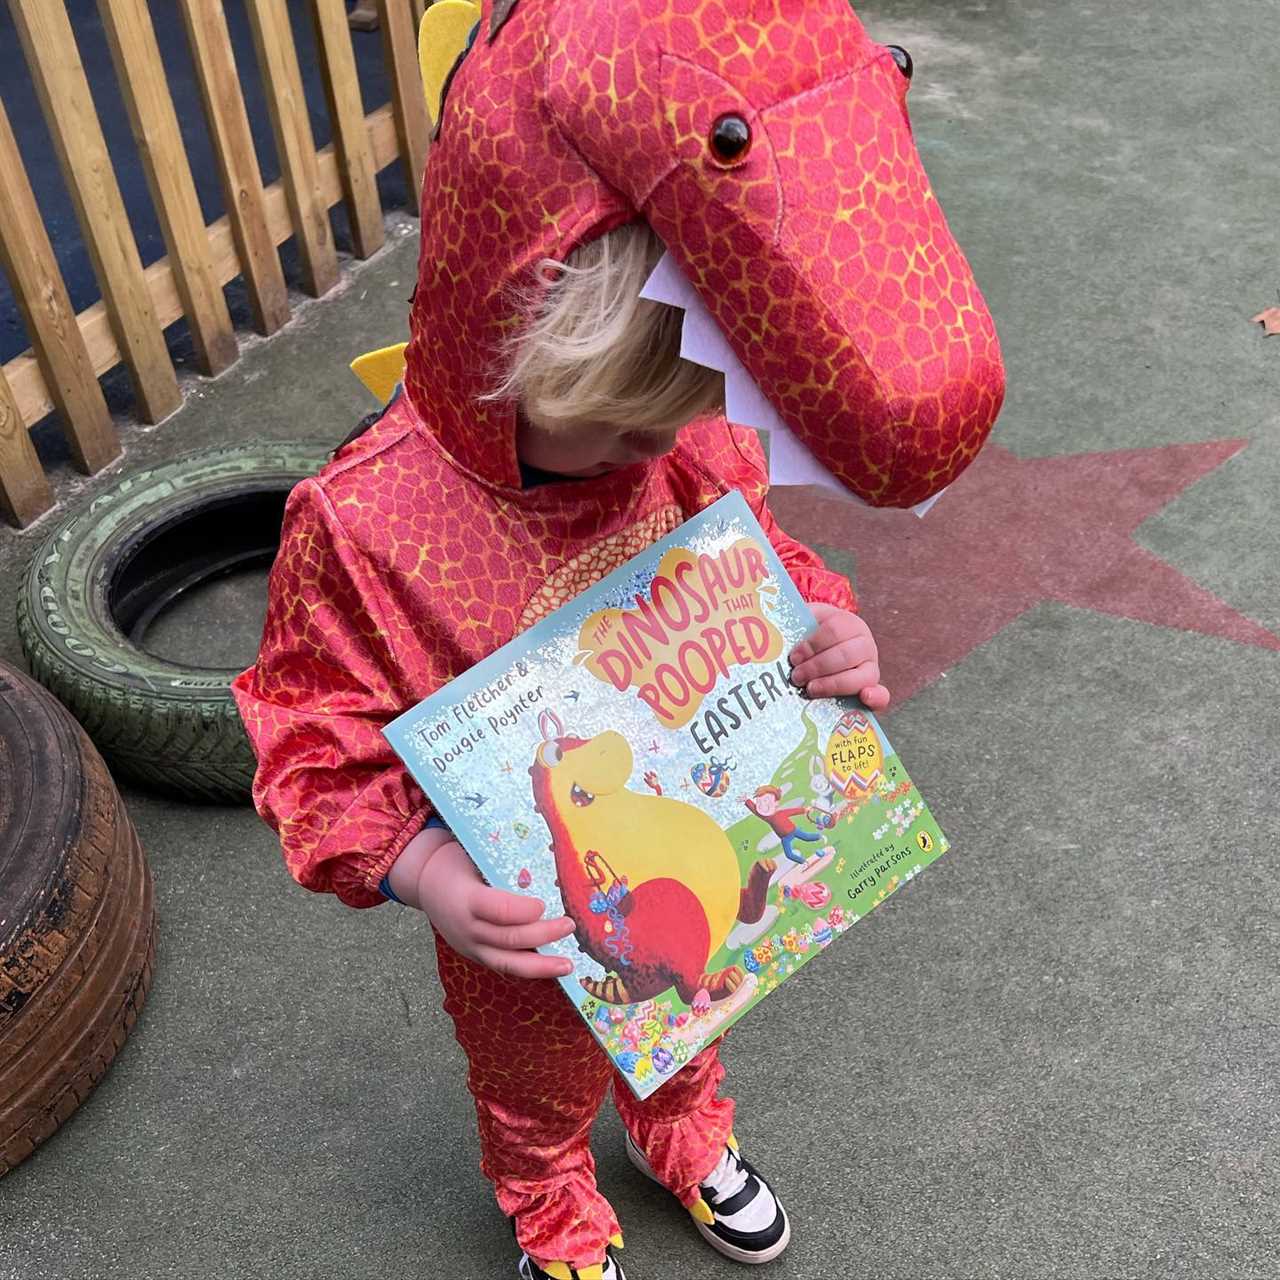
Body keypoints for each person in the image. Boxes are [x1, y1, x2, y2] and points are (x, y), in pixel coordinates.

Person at [234, 1, 1002, 1276]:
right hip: (525, 916)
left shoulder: (684, 443)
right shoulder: (364, 522)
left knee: (686, 1012)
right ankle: (551, 1204)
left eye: (684, 415)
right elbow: (310, 737)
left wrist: (828, 630)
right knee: (535, 1078)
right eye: (615, 432)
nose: (656, 454)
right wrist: (425, 872)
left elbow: (761, 561)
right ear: (497, 332)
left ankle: (687, 1134)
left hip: (694, 851)